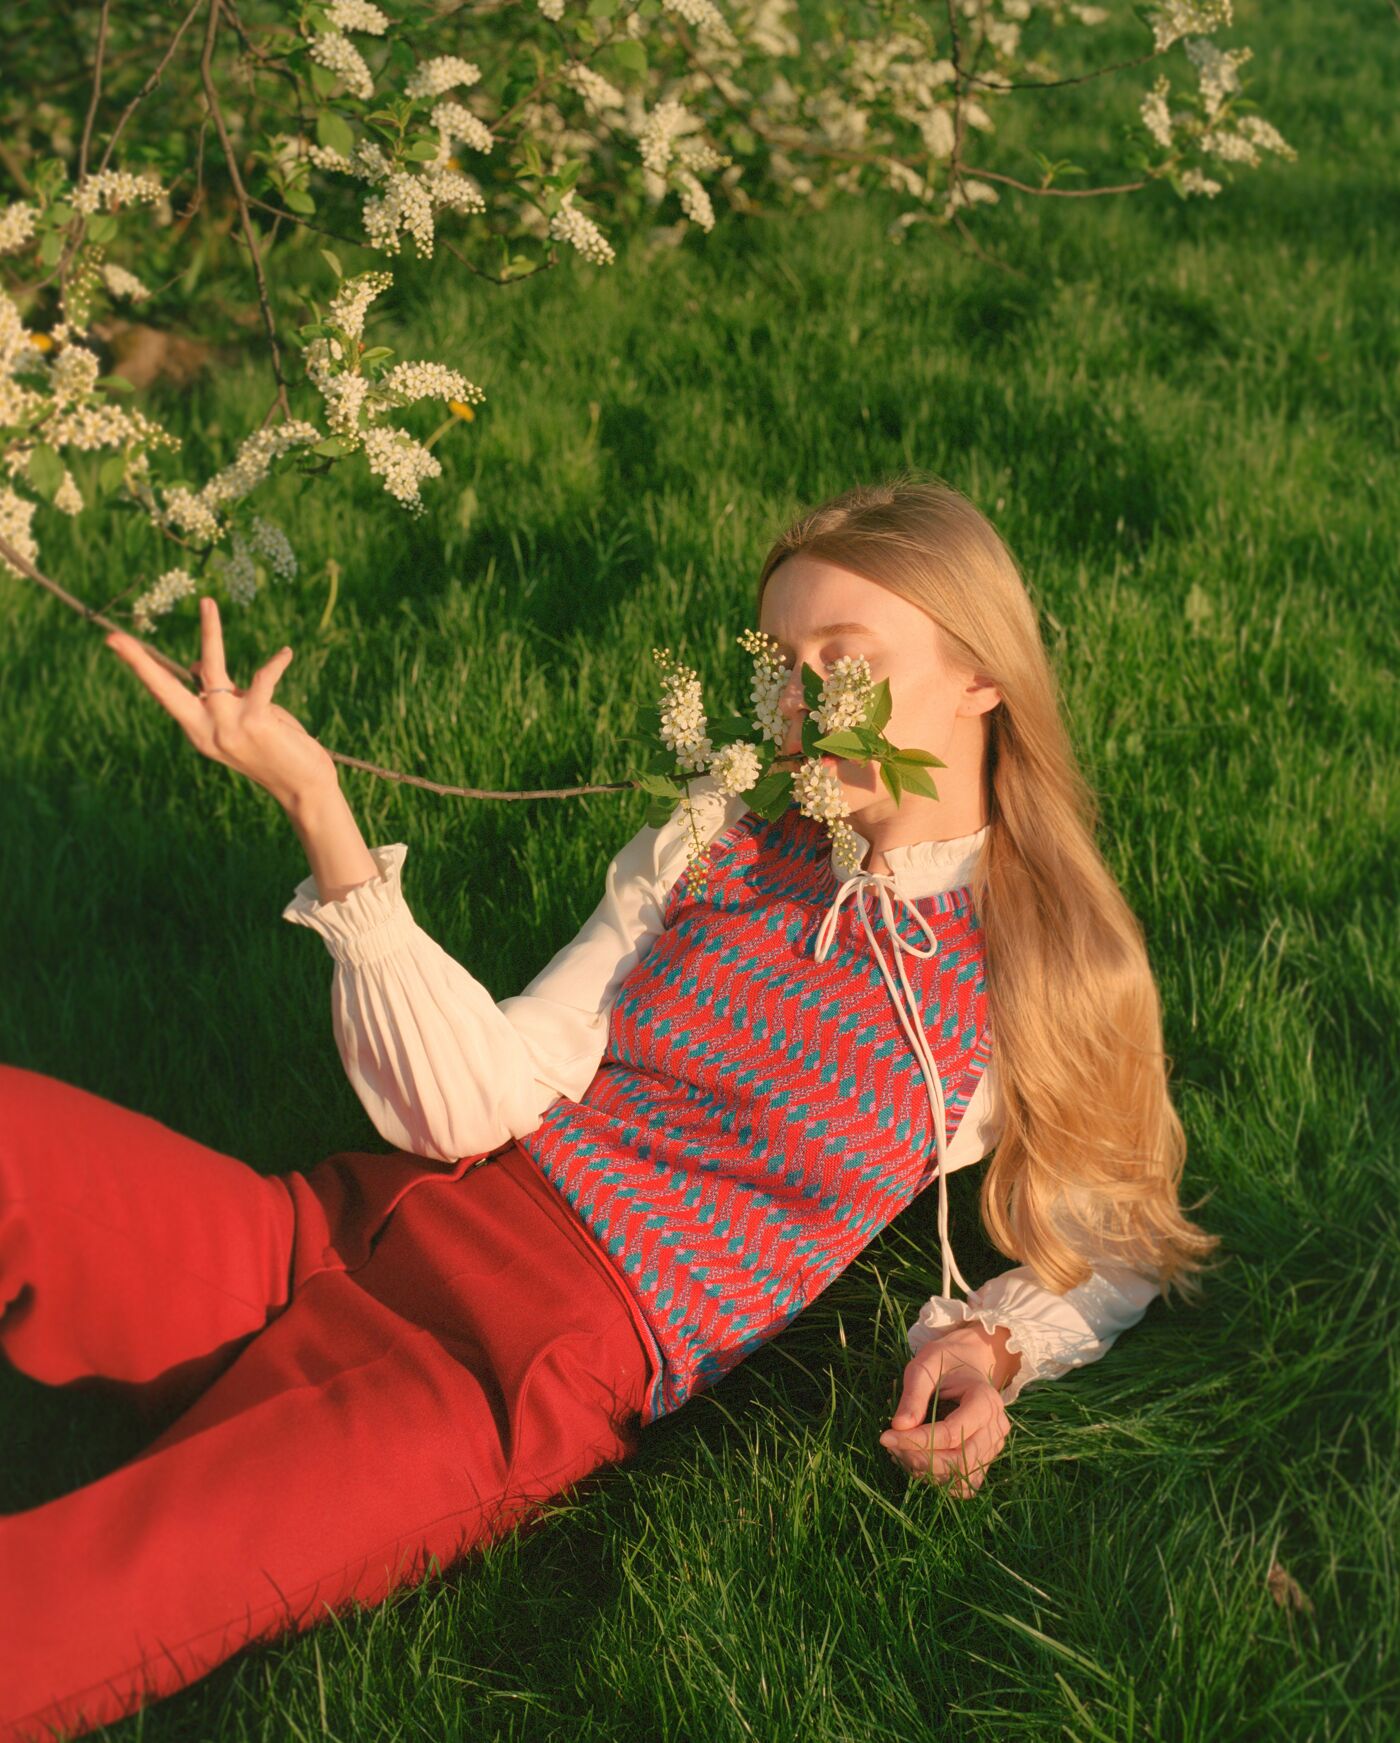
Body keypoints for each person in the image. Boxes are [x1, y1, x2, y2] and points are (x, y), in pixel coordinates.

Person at [0, 474, 1219, 1741]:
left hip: (501, 1380)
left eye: (842, 662)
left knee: (81, 1595)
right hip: (335, 1232)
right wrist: (323, 809)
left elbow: (1119, 1232)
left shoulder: (1038, 964)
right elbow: (475, 1103)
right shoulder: (711, 846)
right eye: (779, 666)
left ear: (981, 679)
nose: (798, 707)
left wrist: (988, 1346)